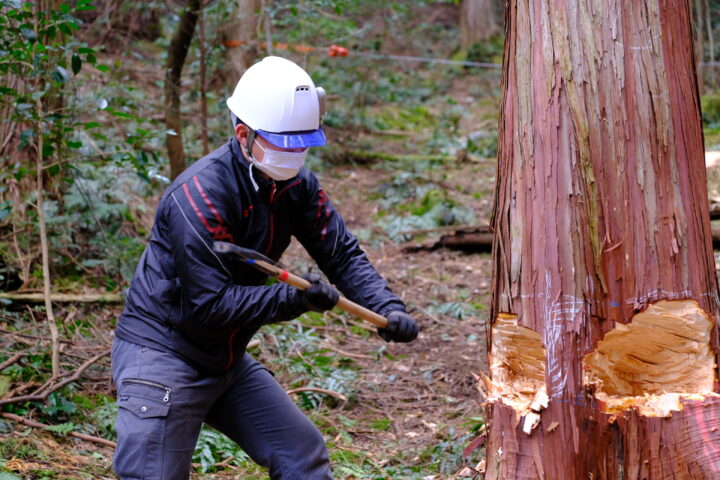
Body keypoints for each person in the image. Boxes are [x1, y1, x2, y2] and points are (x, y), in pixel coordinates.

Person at [111, 56, 419, 480]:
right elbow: (208, 305)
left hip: (224, 357)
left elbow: (341, 254)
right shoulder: (199, 197)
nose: (297, 153)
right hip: (165, 354)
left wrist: (387, 307)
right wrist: (294, 298)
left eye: (305, 142)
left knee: (301, 455)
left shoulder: (297, 187)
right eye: (285, 143)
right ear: (244, 134)